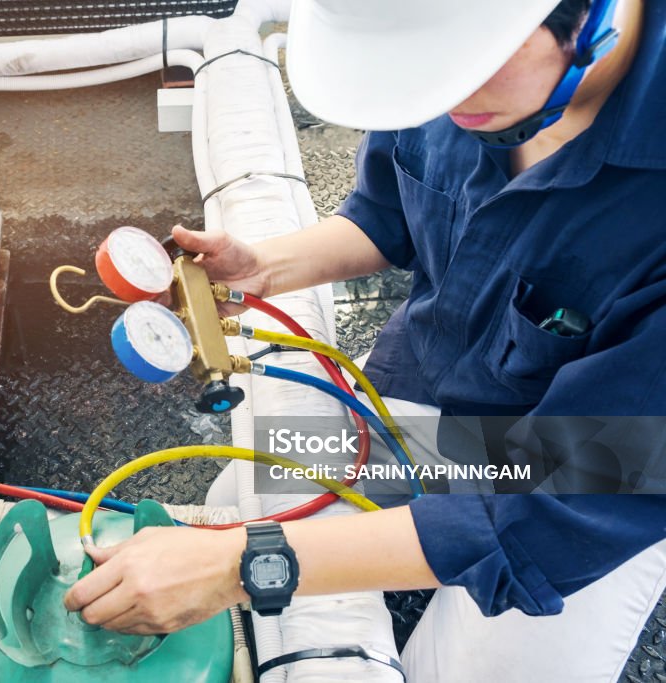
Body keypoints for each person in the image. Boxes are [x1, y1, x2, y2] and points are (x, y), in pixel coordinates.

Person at [65, 0, 666, 679]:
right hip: (430, 400)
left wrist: (244, 566)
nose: (439, 97)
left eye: (464, 64)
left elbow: (558, 506)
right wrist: (262, 266)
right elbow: (389, 216)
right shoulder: (428, 72)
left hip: (595, 482)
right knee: (244, 489)